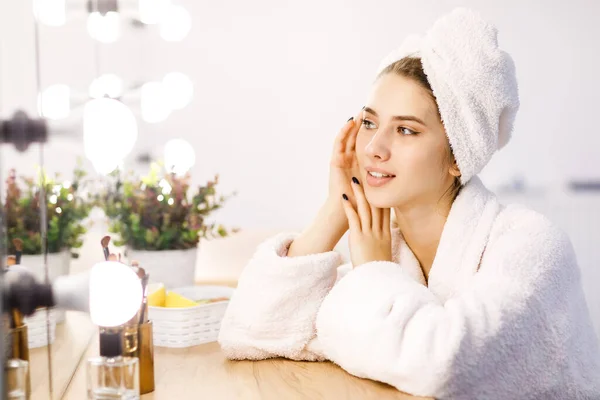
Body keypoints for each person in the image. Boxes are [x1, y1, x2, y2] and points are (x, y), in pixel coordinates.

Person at [218, 8, 600, 399]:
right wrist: (337, 207)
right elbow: (251, 331)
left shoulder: (533, 245)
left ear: (457, 157)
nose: (373, 148)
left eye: (405, 130)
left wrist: (373, 273)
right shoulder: (391, 248)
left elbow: (446, 365)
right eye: (368, 123)